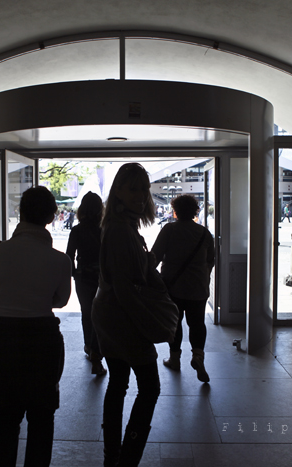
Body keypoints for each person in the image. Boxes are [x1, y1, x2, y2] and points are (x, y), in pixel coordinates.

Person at [0, 186, 72, 467]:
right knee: (42, 416)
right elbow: (61, 300)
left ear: (20, 212)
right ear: (51, 217)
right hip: (43, 339)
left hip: (2, 338)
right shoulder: (60, 260)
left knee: (6, 414)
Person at [92, 163, 161, 467]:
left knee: (118, 383)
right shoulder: (121, 229)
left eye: (144, 188)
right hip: (124, 318)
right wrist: (148, 324)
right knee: (150, 387)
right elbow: (124, 286)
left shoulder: (121, 225)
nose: (141, 195)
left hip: (111, 315)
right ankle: (127, 459)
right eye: (134, 189)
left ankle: (113, 456)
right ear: (118, 190)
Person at [151, 195, 215, 383]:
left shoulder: (169, 230)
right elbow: (210, 260)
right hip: (198, 287)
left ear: (175, 211)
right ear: (195, 211)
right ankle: (198, 356)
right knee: (197, 323)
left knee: (175, 322)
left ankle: (175, 359)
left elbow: (155, 257)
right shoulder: (204, 233)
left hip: (173, 287)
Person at [66, 192, 106, 375]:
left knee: (86, 313)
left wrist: (74, 273)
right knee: (100, 315)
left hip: (83, 277)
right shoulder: (104, 229)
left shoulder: (77, 230)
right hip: (102, 278)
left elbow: (69, 255)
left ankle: (88, 346)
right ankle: (97, 354)